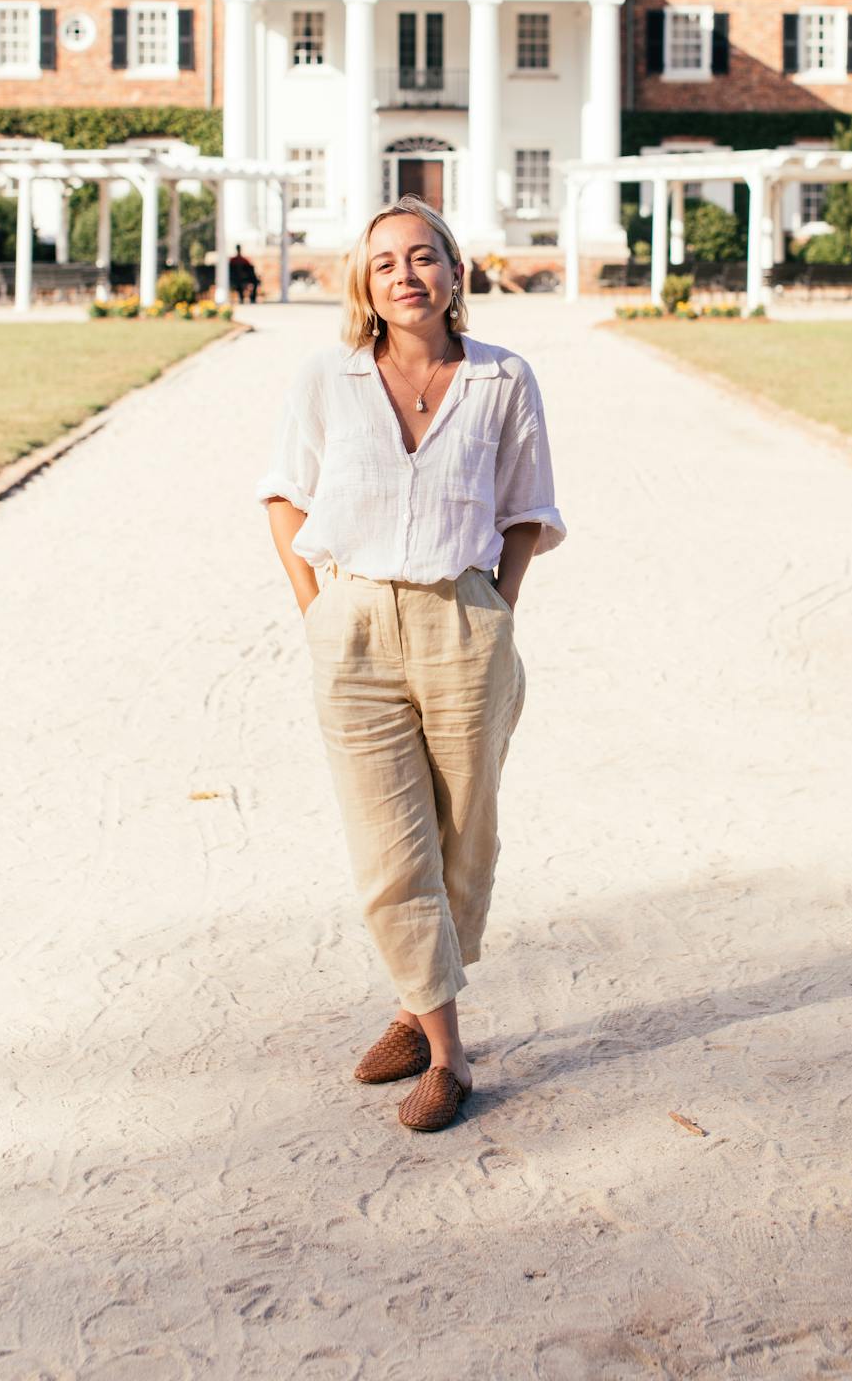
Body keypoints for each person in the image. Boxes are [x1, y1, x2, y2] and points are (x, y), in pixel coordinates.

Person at [255, 195, 565, 1132]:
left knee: (464, 839)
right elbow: (282, 498)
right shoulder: (327, 377)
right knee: (390, 847)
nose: (405, 274)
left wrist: (497, 612)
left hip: (462, 620)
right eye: (385, 261)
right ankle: (448, 1052)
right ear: (366, 283)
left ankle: (409, 1002)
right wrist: (319, 616)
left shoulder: (503, 380)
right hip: (350, 625)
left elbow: (525, 510)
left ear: (455, 273)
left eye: (424, 257)